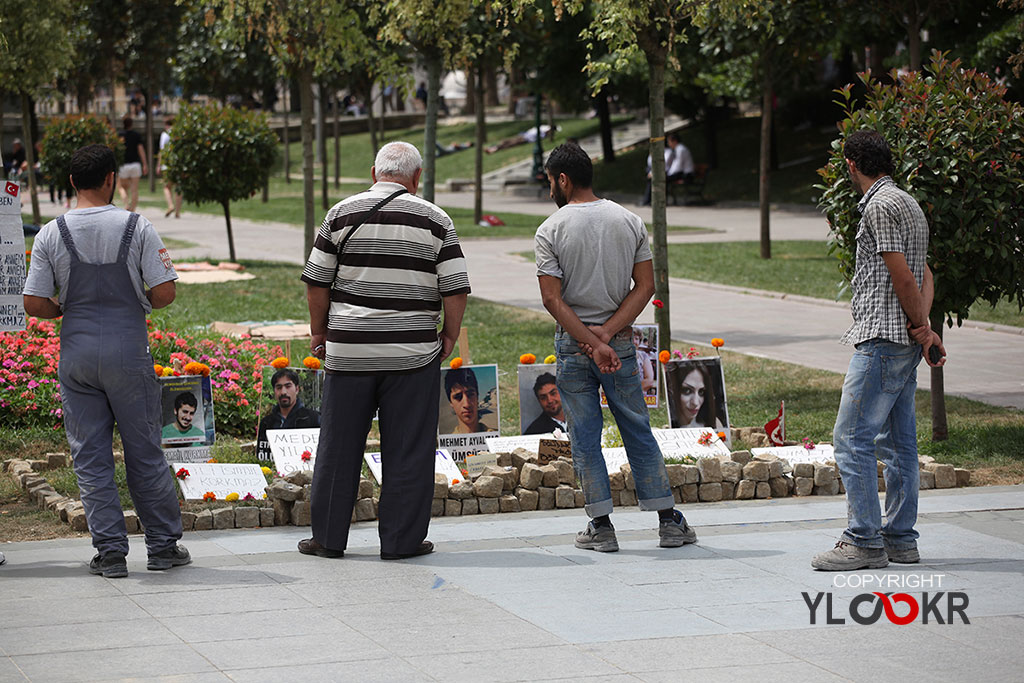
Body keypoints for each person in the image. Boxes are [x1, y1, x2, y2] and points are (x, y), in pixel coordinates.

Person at [22, 143, 189, 578]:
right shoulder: (137, 225)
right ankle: (163, 547)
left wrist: (63, 310)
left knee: (91, 457)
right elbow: (165, 291)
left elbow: (34, 301)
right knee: (145, 451)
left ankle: (111, 552)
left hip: (77, 353)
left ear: (73, 182)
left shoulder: (51, 232)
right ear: (112, 179)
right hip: (128, 351)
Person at [299, 141, 469, 561]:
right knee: (408, 448)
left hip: (349, 352)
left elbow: (317, 282)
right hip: (412, 355)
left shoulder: (340, 213)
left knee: (338, 445)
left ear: (374, 174)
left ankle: (328, 539)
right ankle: (400, 542)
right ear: (417, 178)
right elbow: (456, 287)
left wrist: (320, 333)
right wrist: (448, 335)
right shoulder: (435, 220)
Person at [534, 142, 697, 553]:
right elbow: (646, 287)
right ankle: (669, 521)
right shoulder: (629, 221)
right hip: (619, 345)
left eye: (550, 180)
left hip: (573, 348)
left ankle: (601, 525)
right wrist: (606, 336)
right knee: (637, 428)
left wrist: (589, 340)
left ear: (564, 180)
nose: (550, 188)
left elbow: (553, 300)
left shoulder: (550, 230)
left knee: (584, 435)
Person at [811, 130, 946, 572]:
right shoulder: (909, 203)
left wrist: (922, 327)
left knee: (850, 441)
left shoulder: (878, 206)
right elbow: (926, 272)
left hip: (883, 340)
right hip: (903, 340)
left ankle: (863, 541)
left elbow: (904, 277)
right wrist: (923, 331)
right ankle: (901, 539)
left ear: (851, 164)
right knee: (899, 443)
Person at [256, 368, 321, 461]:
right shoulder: (266, 423)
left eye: (288, 386)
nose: (283, 392)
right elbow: (261, 456)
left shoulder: (314, 419)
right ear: (274, 391)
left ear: (297, 389)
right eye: (279, 387)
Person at [666, 362, 725, 430]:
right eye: (687, 391)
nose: (695, 402)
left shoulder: (715, 424)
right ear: (672, 390)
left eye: (701, 392)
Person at [641, 133, 694, 206]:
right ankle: (650, 200)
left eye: (669, 142)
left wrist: (668, 174)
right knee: (658, 179)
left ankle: (660, 201)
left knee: (661, 180)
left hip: (685, 175)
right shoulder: (678, 149)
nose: (669, 144)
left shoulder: (680, 149)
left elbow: (678, 165)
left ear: (674, 141)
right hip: (680, 173)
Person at [444, 367, 496, 434]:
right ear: (451, 402)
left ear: (477, 397)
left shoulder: (496, 437)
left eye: (470, 395)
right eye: (458, 397)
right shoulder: (444, 443)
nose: (466, 404)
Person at [117, 116, 147, 212]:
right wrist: (145, 164)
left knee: (121, 187)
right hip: (135, 164)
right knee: (134, 189)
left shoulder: (119, 135)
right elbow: (141, 150)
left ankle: (126, 204)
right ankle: (133, 209)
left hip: (123, 165)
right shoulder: (136, 135)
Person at [159, 117, 182, 218]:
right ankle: (177, 212)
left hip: (167, 164)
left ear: (166, 124)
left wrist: (159, 164)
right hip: (178, 164)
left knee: (167, 187)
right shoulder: (180, 134)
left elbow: (162, 150)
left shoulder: (165, 135)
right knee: (178, 188)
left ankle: (170, 205)